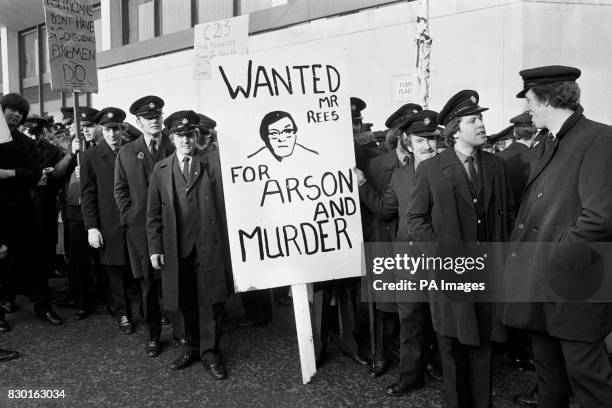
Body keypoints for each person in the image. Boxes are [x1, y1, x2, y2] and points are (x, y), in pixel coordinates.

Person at [502, 65, 612, 408]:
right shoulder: (546, 144)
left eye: (531, 101)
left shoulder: (599, 138)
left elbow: (599, 217)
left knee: (588, 378)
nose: (528, 110)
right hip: (540, 282)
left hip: (572, 281)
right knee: (548, 373)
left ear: (548, 99)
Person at [407, 90, 513, 408]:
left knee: (483, 347)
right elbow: (415, 219)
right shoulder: (431, 169)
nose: (481, 124)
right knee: (452, 350)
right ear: (455, 130)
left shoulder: (495, 166)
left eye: (480, 118)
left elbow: (506, 214)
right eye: (473, 119)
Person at [357, 109, 442, 395]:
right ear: (407, 142)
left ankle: (447, 371)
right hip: (408, 262)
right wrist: (363, 185)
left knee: (444, 321)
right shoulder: (400, 176)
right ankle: (409, 376)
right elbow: (384, 211)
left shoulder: (449, 169)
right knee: (410, 322)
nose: (428, 145)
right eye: (421, 140)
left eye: (432, 139)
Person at [147, 110, 232, 379]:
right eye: (180, 135)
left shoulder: (214, 164)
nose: (185, 140)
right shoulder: (161, 170)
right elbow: (153, 214)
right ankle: (190, 347)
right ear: (171, 138)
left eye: (190, 135)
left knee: (211, 302)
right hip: (176, 249)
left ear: (198, 136)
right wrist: (155, 248)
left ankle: (211, 353)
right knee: (183, 302)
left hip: (209, 246)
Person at [115, 96, 176, 357]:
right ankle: (153, 336)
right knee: (148, 285)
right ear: (138, 122)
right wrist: (129, 215)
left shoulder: (175, 146)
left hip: (174, 225)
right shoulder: (127, 152)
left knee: (177, 280)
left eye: (158, 116)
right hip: (141, 229)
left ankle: (184, 333)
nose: (155, 121)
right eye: (148, 118)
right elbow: (120, 189)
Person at [0, 93, 63, 325]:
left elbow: (36, 173)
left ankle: (42, 305)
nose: (16, 115)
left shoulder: (25, 143)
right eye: (12, 110)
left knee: (31, 258)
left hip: (19, 210)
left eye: (21, 113)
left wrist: (9, 174)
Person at [81, 107, 132, 333]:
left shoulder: (132, 152)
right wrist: (92, 227)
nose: (113, 134)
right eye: (108, 130)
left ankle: (152, 312)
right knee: (114, 270)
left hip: (133, 220)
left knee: (139, 269)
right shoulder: (90, 157)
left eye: (117, 129)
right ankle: (123, 313)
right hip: (108, 222)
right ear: (102, 130)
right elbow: (88, 195)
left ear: (123, 129)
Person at [53, 107, 102, 319]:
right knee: (78, 258)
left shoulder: (104, 147)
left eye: (89, 126)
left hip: (100, 207)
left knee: (103, 258)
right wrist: (71, 154)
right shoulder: (71, 146)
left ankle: (109, 297)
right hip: (75, 209)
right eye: (81, 127)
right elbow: (57, 172)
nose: (85, 131)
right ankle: (82, 300)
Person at [247, 111, 318, 161]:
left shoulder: (313, 157)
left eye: (288, 131)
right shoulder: (253, 160)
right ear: (265, 137)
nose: (282, 138)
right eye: (274, 133)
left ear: (295, 134)